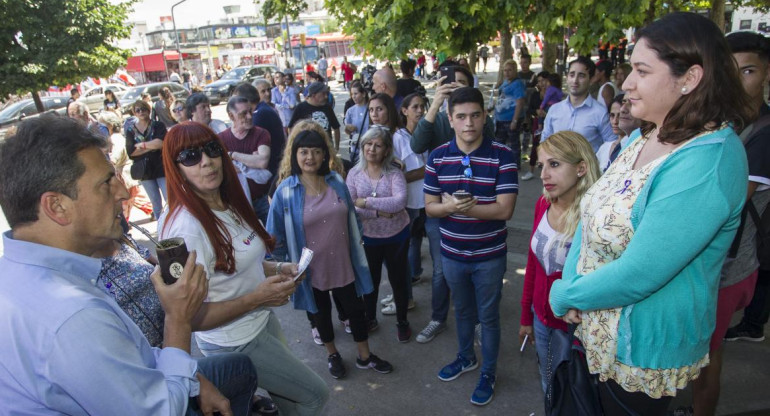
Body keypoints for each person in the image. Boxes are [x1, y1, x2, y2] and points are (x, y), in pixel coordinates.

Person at [548, 12, 753, 414]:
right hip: (593, 328)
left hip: (639, 351)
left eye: (641, 71)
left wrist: (564, 293)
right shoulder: (645, 135)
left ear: (690, 79)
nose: (626, 83)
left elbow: (641, 272)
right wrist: (573, 286)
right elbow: (590, 215)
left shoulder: (709, 160)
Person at [0, 115, 258, 415]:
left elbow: (133, 355)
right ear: (56, 206)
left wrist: (194, 377)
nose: (122, 193)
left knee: (238, 369)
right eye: (106, 183)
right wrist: (178, 319)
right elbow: (159, 409)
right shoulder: (73, 317)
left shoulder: (26, 275)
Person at [160, 121, 330, 416]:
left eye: (211, 149)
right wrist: (257, 298)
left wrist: (279, 267)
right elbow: (190, 318)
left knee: (292, 399)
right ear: (175, 168)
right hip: (234, 342)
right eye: (190, 156)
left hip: (261, 323)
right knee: (314, 395)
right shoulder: (185, 228)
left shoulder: (225, 201)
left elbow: (236, 264)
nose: (206, 161)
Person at [267, 123, 393, 379]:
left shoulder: (336, 181)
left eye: (315, 151)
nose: (309, 157)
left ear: (325, 155)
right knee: (320, 313)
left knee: (357, 311)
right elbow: (274, 234)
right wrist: (282, 267)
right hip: (309, 269)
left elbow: (353, 218)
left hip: (343, 262)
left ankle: (364, 356)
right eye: (303, 152)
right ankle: (332, 354)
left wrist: (358, 245)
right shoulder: (286, 191)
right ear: (295, 155)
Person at [690, 30, 770, 416]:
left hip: (728, 270)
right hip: (711, 267)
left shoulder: (764, 135)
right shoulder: (729, 124)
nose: (739, 81)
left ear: (767, 74)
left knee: (707, 356)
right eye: (730, 71)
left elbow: (724, 203)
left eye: (749, 70)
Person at [425, 87, 517, 406]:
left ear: (484, 116)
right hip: (452, 254)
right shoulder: (437, 157)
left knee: (488, 317)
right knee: (462, 311)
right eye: (461, 116)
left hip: (489, 256)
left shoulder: (502, 155)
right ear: (449, 119)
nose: (469, 123)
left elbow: (505, 210)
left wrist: (458, 207)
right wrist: (450, 208)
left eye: (475, 115)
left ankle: (488, 372)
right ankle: (466, 358)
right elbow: (430, 207)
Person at [410, 65, 494, 344]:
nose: (455, 88)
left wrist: (471, 109)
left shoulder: (477, 118)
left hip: (478, 205)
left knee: (481, 270)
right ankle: (438, 317)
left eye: (461, 83)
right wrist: (435, 103)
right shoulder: (437, 117)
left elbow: (490, 138)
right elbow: (417, 144)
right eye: (449, 84)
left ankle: (480, 322)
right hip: (440, 208)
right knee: (440, 269)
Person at [519, 131, 600, 393]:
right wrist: (526, 317)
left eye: (554, 164)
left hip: (579, 329)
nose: (544, 174)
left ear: (581, 168)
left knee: (579, 394)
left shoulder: (596, 218)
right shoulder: (543, 203)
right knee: (549, 385)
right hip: (541, 321)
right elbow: (532, 265)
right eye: (542, 165)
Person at [345, 126, 412, 341]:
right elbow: (349, 206)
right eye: (368, 144)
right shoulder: (354, 173)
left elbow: (399, 202)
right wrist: (378, 211)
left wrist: (365, 202)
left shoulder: (394, 173)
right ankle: (370, 318)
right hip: (369, 238)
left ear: (386, 150)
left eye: (378, 145)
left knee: (398, 280)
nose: (371, 149)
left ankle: (402, 321)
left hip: (397, 236)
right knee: (370, 281)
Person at [384, 93, 429, 317]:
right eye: (415, 107)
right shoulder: (398, 138)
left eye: (423, 106)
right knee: (402, 251)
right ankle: (405, 296)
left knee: (416, 245)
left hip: (429, 201)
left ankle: (405, 292)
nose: (420, 111)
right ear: (404, 111)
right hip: (409, 202)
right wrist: (424, 171)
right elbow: (396, 175)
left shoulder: (428, 134)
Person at [542, 56, 616, 152]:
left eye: (581, 76)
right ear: (567, 77)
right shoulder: (554, 110)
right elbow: (545, 141)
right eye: (572, 75)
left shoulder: (600, 112)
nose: (575, 81)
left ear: (591, 79)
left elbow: (612, 144)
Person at [219, 96, 272, 224]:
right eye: (243, 113)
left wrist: (233, 155)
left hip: (262, 201)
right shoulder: (220, 139)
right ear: (231, 116)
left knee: (273, 239)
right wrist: (252, 160)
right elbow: (223, 170)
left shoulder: (261, 134)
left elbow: (262, 161)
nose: (249, 116)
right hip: (236, 204)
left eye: (250, 111)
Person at [236, 80, 286, 193]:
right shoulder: (262, 110)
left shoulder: (260, 114)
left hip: (272, 172)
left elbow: (254, 151)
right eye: (263, 91)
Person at [126, 99, 167, 220]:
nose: (141, 112)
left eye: (143, 109)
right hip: (144, 171)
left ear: (148, 110)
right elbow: (131, 152)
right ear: (134, 113)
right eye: (137, 110)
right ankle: (161, 228)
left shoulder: (158, 125)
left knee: (169, 200)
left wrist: (142, 145)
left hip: (161, 167)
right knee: (155, 203)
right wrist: (151, 146)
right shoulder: (131, 130)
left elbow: (161, 143)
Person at [492, 59, 526, 170]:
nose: (507, 73)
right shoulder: (506, 82)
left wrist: (515, 120)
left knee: (513, 143)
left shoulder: (518, 84)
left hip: (511, 118)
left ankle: (515, 165)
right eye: (505, 70)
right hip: (501, 118)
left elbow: (520, 102)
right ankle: (500, 163)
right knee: (499, 142)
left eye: (509, 70)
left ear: (515, 70)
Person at [288, 82, 341, 150]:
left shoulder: (327, 108)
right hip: (309, 149)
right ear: (313, 95)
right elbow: (291, 128)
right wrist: (293, 144)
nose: (326, 97)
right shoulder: (301, 108)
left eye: (326, 93)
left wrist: (336, 147)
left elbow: (336, 127)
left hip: (326, 148)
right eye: (323, 94)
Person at [595, 94, 633, 172]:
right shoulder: (604, 148)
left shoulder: (634, 145)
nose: (615, 121)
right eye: (612, 115)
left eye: (620, 115)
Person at [343, 81, 370, 165]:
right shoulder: (350, 111)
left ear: (363, 94)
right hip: (356, 149)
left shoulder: (371, 108)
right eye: (352, 94)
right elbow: (347, 131)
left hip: (370, 148)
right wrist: (349, 129)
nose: (353, 96)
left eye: (356, 93)